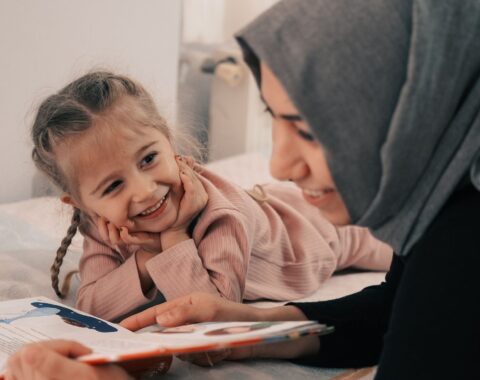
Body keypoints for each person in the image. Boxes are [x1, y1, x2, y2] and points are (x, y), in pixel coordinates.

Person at [7, 0, 480, 378]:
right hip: (300, 220)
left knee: (360, 243)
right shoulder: (438, 207)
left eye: (310, 130)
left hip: (311, 233)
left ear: (418, 106)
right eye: (273, 117)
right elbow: (389, 311)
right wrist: (249, 330)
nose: (279, 163)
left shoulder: (462, 244)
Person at [30, 71, 390, 323]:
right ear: (79, 204)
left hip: (313, 236)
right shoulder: (100, 224)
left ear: (169, 142)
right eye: (112, 187)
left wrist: (172, 238)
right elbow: (92, 304)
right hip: (272, 208)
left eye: (149, 159)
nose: (144, 190)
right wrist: (144, 260)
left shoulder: (219, 213)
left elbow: (213, 308)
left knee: (401, 245)